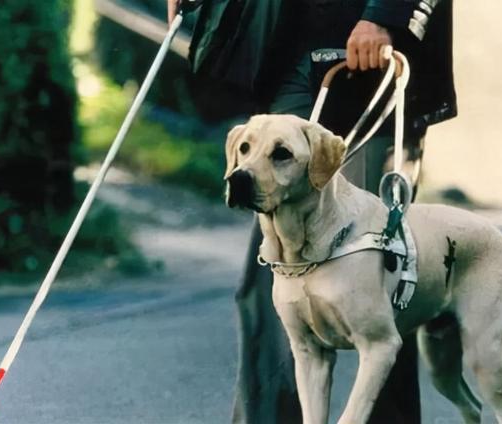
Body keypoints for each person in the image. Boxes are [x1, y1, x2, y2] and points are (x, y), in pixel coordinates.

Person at [168, 1, 456, 422]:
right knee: (277, 270)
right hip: (287, 48)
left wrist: (385, 14)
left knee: (372, 269)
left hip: (367, 50)